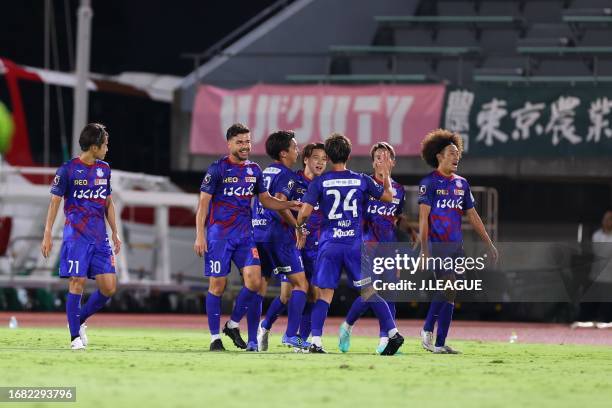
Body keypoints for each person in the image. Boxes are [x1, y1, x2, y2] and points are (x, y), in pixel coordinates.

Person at [193, 123, 301, 352]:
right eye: (240, 142)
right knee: (217, 286)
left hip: (245, 236)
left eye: (248, 142)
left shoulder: (254, 170)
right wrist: (200, 235)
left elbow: (266, 200)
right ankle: (215, 339)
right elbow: (203, 205)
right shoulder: (217, 169)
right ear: (229, 144)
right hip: (219, 236)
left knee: (253, 282)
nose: (245, 146)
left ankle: (232, 324)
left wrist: (289, 204)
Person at [296, 133, 404, 355]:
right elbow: (387, 197)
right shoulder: (362, 179)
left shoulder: (320, 182)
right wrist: (384, 174)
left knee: (324, 294)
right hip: (355, 245)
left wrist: (301, 229)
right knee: (370, 291)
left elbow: (304, 214)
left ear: (328, 155)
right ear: (348, 154)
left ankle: (316, 341)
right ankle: (393, 333)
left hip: (330, 244)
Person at [41, 123, 121, 350]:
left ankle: (78, 320)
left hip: (99, 238)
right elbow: (54, 202)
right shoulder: (67, 170)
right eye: (105, 144)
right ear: (94, 147)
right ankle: (74, 337)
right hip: (76, 237)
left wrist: (115, 232)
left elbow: (107, 202)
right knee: (77, 283)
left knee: (109, 287)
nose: (107, 148)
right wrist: (47, 233)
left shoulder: (104, 169)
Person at [418, 129, 498, 354]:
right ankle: (426, 330)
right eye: (451, 153)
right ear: (439, 156)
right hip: (437, 245)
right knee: (448, 285)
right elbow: (423, 218)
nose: (456, 157)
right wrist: (424, 250)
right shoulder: (430, 183)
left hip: (456, 247)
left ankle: (441, 342)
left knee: (451, 292)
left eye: (457, 153)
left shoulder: (462, 184)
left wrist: (489, 243)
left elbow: (473, 216)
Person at [338, 142, 415, 354]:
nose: (382, 160)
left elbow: (396, 218)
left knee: (390, 289)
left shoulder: (399, 189)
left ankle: (384, 340)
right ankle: (347, 326)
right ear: (373, 162)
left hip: (388, 245)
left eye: (386, 156)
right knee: (370, 291)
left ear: (393, 162)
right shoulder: (363, 184)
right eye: (378, 157)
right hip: (365, 243)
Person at [256, 142, 327, 350]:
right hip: (291, 243)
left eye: (324, 159)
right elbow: (279, 205)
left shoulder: (324, 185)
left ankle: (298, 341)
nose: (320, 162)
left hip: (313, 246)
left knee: (312, 294)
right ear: (306, 159)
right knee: (287, 295)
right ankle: (265, 326)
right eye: (316, 158)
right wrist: (297, 226)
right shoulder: (293, 180)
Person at [249, 130, 310, 351]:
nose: (297, 150)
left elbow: (257, 202)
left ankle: (253, 339)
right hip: (278, 237)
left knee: (261, 286)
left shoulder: (265, 171)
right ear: (284, 153)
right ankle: (291, 336)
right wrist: (296, 226)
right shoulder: (287, 175)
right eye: (294, 147)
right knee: (301, 284)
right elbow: (280, 203)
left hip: (258, 233)